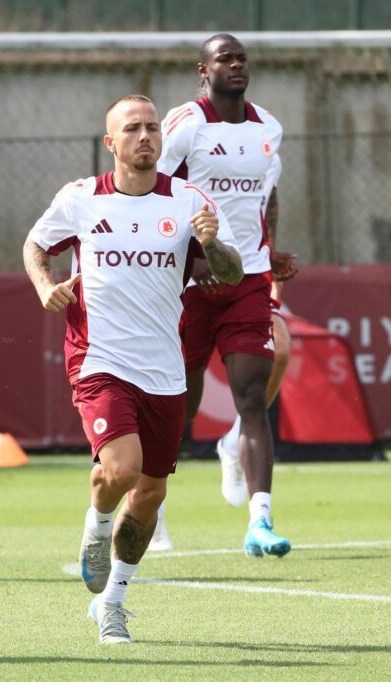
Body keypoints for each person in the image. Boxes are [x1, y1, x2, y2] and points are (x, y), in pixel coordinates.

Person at [24, 94, 242, 644]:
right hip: (99, 359)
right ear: (111, 142)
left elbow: (232, 272)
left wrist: (213, 245)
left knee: (149, 494)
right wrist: (46, 285)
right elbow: (35, 244)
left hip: (164, 367)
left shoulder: (189, 200)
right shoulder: (80, 200)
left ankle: (112, 603)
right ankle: (96, 525)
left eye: (151, 127)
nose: (145, 137)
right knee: (120, 470)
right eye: (133, 129)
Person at [152, 33, 298, 558]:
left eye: (241, 58)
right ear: (203, 70)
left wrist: (271, 250)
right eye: (225, 59)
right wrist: (192, 260)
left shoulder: (268, 129)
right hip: (189, 286)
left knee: (252, 396)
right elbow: (155, 193)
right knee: (177, 406)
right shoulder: (185, 124)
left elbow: (268, 194)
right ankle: (153, 511)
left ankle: (260, 520)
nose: (236, 65)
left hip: (248, 281)